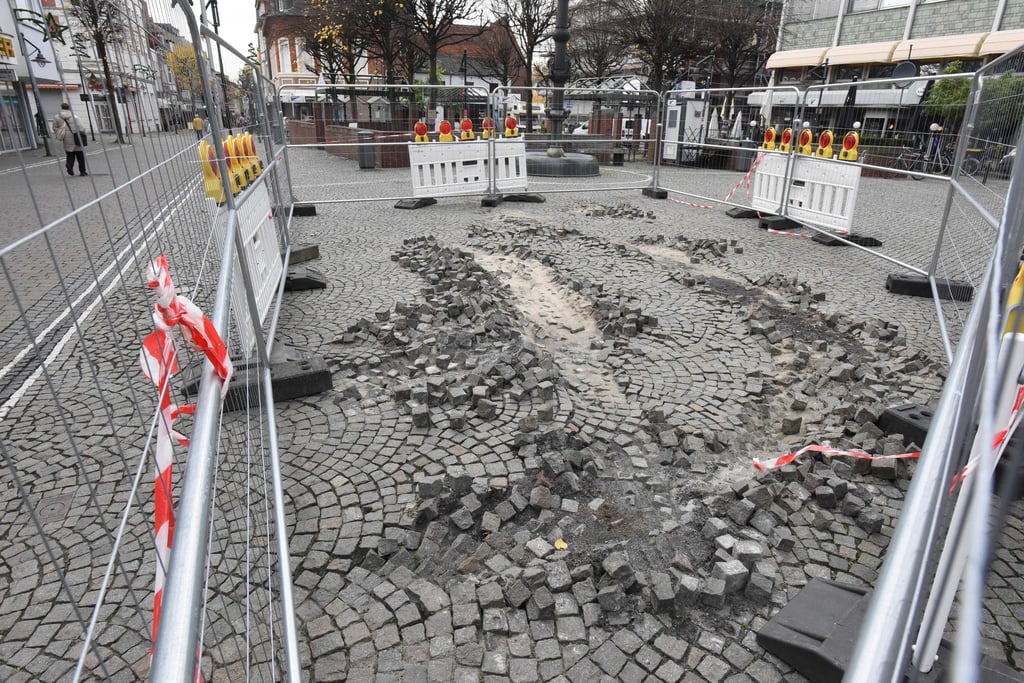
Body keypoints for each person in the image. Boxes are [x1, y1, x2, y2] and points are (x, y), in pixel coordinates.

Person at [52, 102, 87, 176]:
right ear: (69, 107)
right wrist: (84, 133)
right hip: (77, 137)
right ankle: (82, 171)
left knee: (70, 154)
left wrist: (61, 133)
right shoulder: (75, 117)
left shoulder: (57, 117)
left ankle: (69, 165)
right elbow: (81, 128)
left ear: (61, 107)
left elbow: (54, 128)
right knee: (80, 156)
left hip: (66, 138)